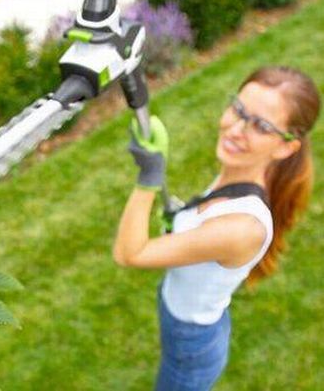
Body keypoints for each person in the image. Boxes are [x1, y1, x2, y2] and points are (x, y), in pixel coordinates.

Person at [112, 66, 321, 390]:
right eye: (238, 109)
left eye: (261, 126)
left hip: (191, 343)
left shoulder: (241, 227)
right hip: (188, 316)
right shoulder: (238, 173)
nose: (236, 129)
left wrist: (148, 179)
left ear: (284, 147)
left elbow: (129, 253)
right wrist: (180, 219)